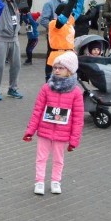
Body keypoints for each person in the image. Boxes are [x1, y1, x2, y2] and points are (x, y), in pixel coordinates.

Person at [23, 52, 84, 195]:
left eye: (61, 68)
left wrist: (74, 139)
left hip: (62, 134)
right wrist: (30, 130)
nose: (56, 70)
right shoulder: (46, 88)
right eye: (55, 67)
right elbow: (37, 110)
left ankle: (56, 181)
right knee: (41, 157)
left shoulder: (76, 92)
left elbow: (78, 118)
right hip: (44, 130)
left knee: (58, 159)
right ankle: (39, 181)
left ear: (69, 71)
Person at [39, 0, 70, 79]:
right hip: (53, 36)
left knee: (64, 59)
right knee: (51, 58)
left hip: (65, 37)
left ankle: (62, 78)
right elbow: (43, 20)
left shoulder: (67, 3)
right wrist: (54, 28)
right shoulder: (50, 4)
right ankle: (49, 79)